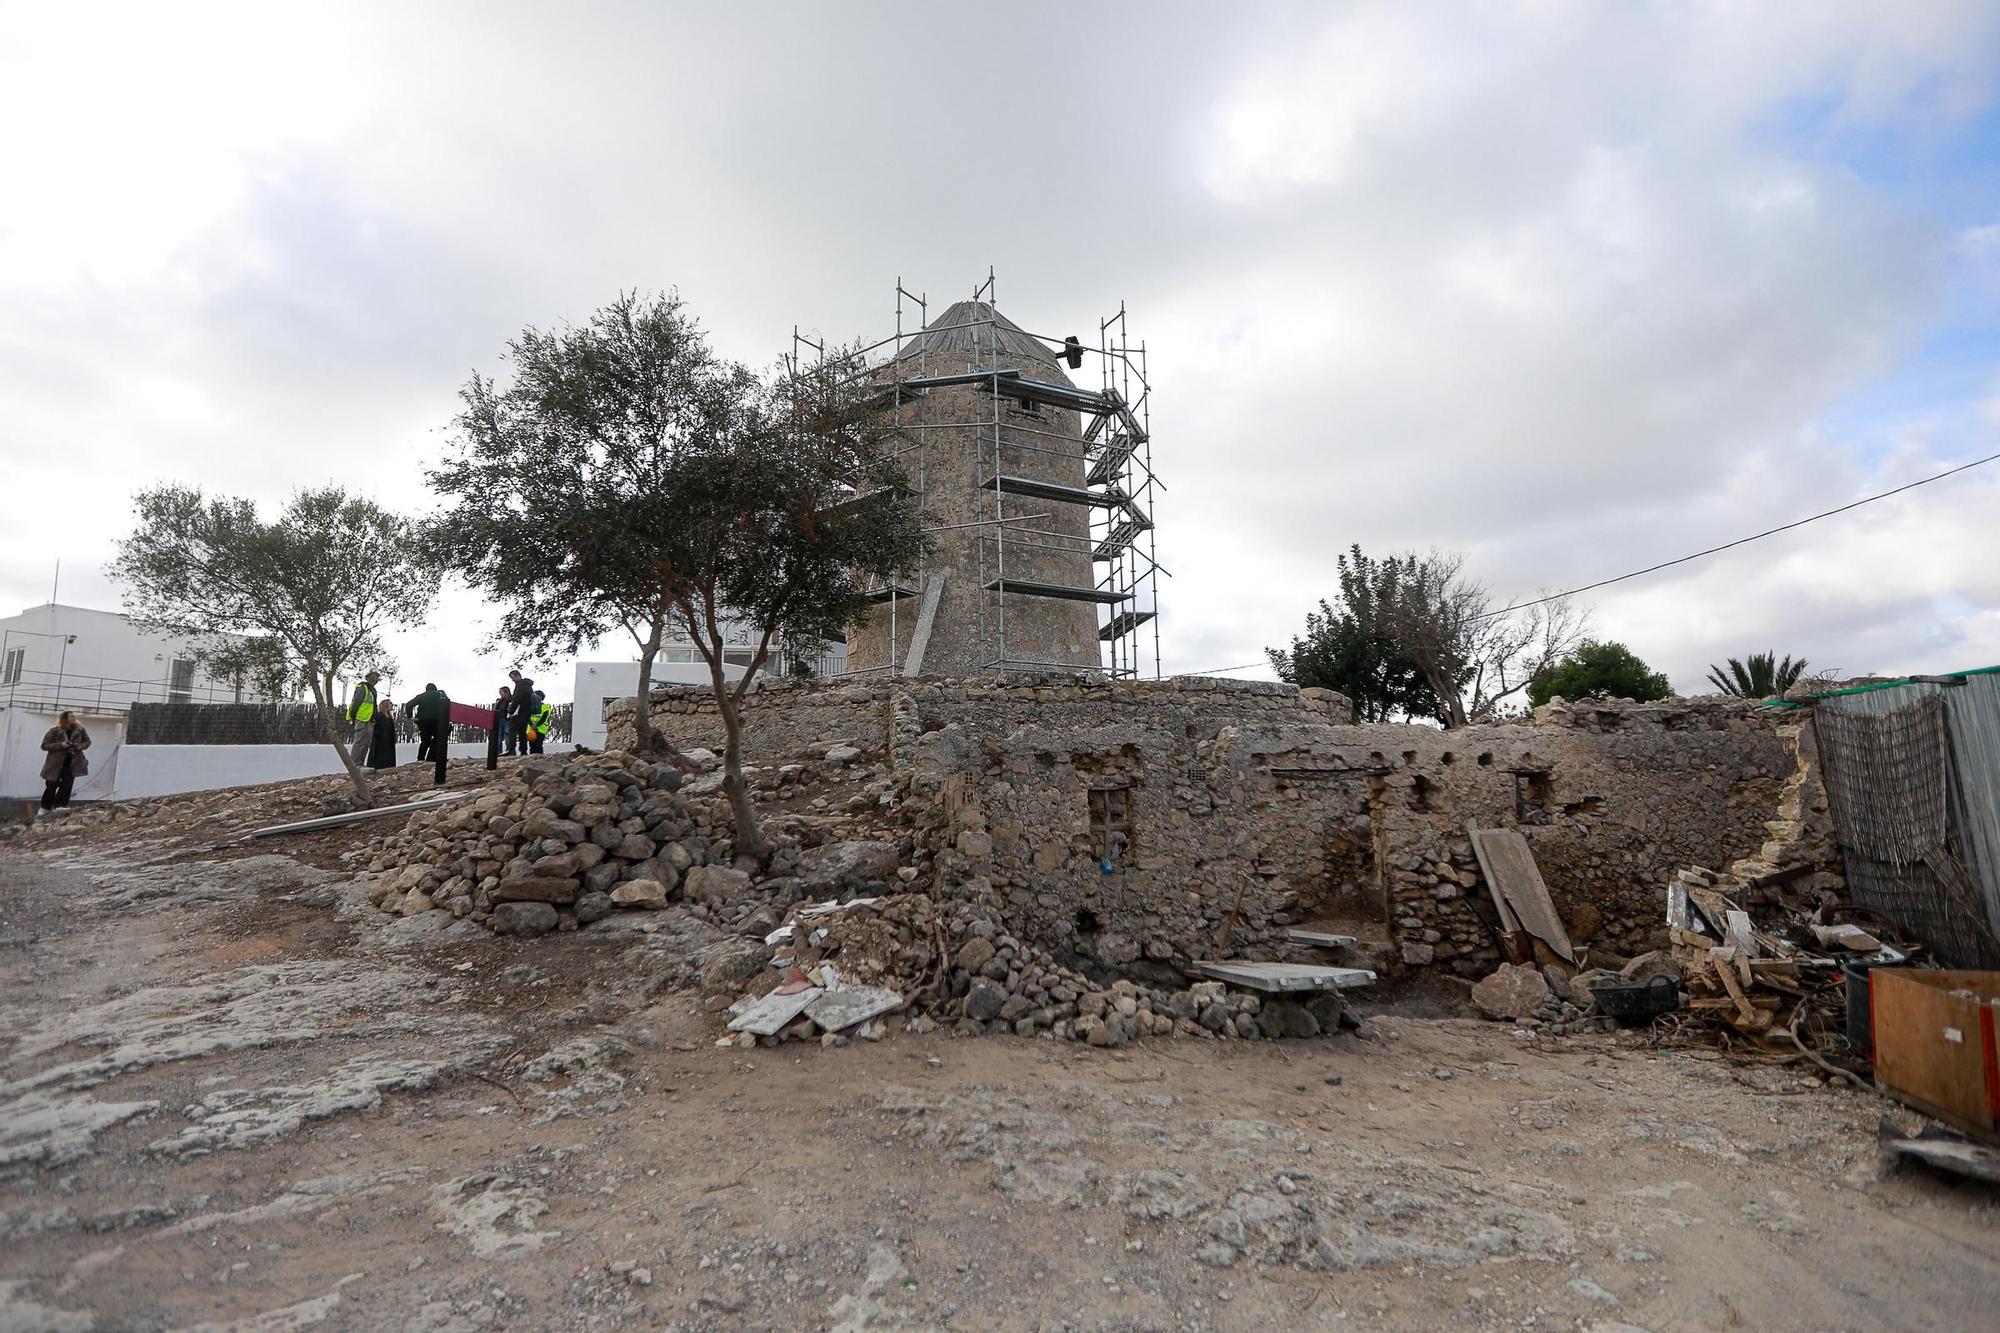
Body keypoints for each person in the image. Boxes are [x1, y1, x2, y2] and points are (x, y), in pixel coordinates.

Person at [39, 712, 91, 811]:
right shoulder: (54, 731)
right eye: (71, 716)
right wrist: (61, 745)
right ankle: (45, 808)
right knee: (51, 786)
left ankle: (60, 806)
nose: (74, 717)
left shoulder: (80, 730)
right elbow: (44, 745)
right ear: (64, 718)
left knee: (67, 785)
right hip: (55, 764)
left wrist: (79, 746)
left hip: (72, 763)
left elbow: (88, 742)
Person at [403, 682, 451, 764]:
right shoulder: (441, 695)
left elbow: (409, 705)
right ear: (435, 688)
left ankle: (420, 758)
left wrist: (410, 716)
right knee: (437, 739)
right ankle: (431, 757)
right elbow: (448, 704)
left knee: (425, 741)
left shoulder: (421, 696)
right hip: (438, 720)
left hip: (423, 721)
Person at [347, 671, 381, 766]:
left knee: (366, 743)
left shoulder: (372, 690)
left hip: (369, 720)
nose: (375, 679)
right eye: (373, 677)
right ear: (367, 678)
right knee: (359, 742)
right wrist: (353, 718)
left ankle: (361, 763)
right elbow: (356, 703)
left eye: (377, 678)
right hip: (361, 719)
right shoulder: (363, 688)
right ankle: (354, 764)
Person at [506, 669, 536, 756]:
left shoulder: (521, 685)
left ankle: (511, 750)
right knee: (522, 732)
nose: (512, 680)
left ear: (517, 676)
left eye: (512, 677)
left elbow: (517, 699)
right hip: (526, 712)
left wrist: (511, 711)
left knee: (512, 731)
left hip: (518, 712)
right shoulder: (528, 685)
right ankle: (523, 751)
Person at [369, 699, 398, 770]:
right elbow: (375, 728)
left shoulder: (389, 717)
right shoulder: (379, 716)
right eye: (390, 704)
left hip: (388, 740)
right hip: (380, 740)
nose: (391, 706)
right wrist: (379, 734)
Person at [524, 689, 553, 755]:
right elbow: (527, 716)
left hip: (540, 729)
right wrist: (531, 724)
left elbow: (544, 718)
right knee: (532, 746)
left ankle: (540, 759)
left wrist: (536, 725)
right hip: (531, 729)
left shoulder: (545, 707)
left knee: (538, 745)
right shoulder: (530, 706)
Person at [493, 685, 514, 757]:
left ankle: (509, 752)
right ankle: (499, 753)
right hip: (499, 720)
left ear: (506, 692)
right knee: (499, 738)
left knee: (507, 737)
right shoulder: (499, 701)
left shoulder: (511, 700)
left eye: (501, 692)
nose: (500, 694)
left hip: (507, 720)